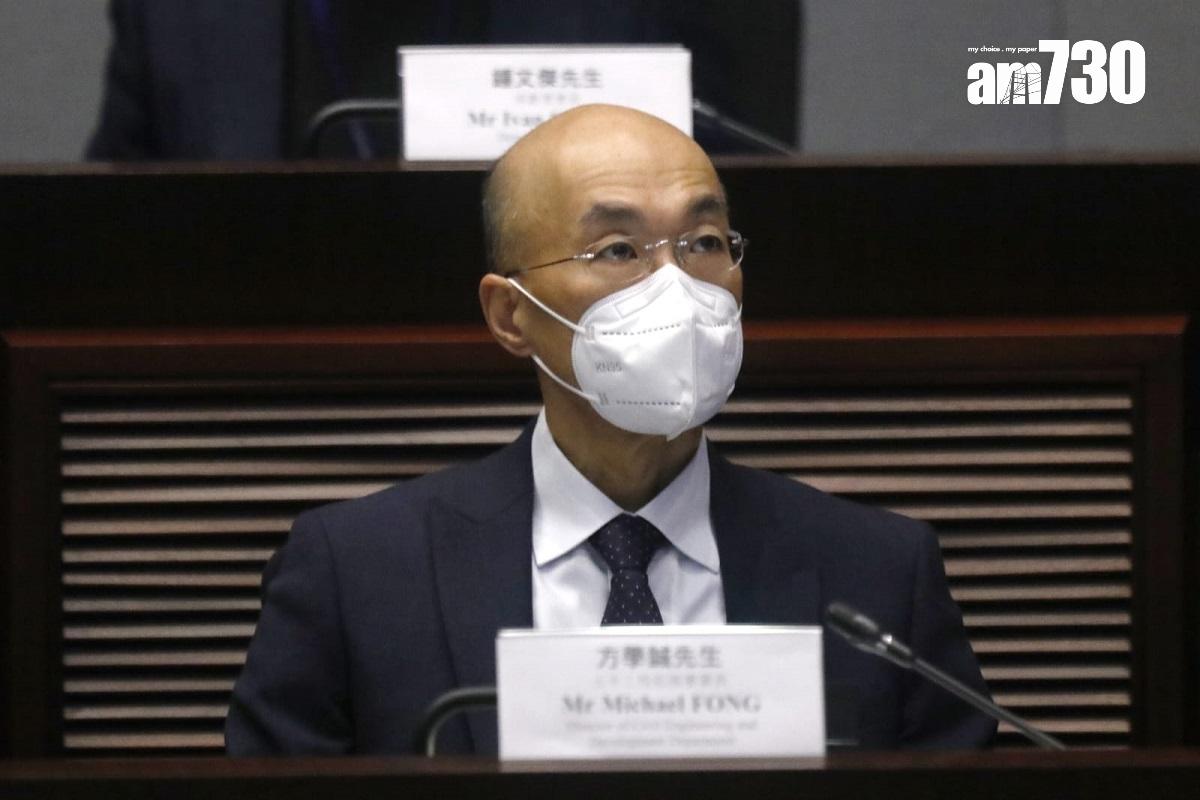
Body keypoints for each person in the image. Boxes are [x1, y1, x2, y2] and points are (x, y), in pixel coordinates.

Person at [224, 104, 995, 754]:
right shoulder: (355, 574)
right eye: (618, 250)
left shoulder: (880, 576)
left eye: (703, 242)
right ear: (511, 314)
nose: (676, 286)